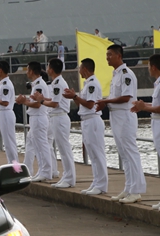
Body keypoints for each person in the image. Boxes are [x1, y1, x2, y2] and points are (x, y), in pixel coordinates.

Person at [96, 44, 145, 203]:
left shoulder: (126, 74)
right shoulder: (116, 74)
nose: (107, 57)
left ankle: (136, 190)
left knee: (130, 152)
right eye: (107, 54)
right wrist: (107, 102)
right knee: (123, 153)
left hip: (125, 115)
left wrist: (105, 100)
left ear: (119, 55)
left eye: (110, 54)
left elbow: (126, 97)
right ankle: (129, 187)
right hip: (116, 116)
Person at [63, 58, 107, 196]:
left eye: (80, 68)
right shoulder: (87, 84)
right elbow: (82, 105)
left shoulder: (92, 84)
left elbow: (89, 104)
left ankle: (101, 184)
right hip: (86, 120)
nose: (79, 70)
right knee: (92, 154)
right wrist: (75, 97)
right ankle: (96, 182)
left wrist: (74, 95)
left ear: (85, 69)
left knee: (97, 153)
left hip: (93, 120)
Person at [34, 59, 76, 188]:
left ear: (51, 69)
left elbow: (55, 104)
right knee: (62, 149)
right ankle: (67, 176)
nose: (46, 68)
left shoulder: (58, 83)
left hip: (60, 117)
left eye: (48, 66)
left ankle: (70, 178)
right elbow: (53, 99)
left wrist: (41, 102)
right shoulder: (56, 82)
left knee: (64, 149)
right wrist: (42, 98)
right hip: (56, 118)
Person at [131, 54, 160, 209]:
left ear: (154, 67)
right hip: (155, 122)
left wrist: (145, 107)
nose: (148, 69)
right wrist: (144, 105)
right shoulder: (158, 84)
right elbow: (155, 104)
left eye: (149, 66)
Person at [17, 62, 52, 182]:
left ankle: (46, 171)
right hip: (36, 118)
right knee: (37, 146)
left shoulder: (39, 85)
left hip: (39, 117)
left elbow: (37, 104)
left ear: (31, 71)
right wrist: (26, 100)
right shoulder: (36, 84)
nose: (27, 72)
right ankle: (42, 170)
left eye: (27, 70)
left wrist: (24, 102)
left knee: (42, 145)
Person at [0, 60, 18, 164]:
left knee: (10, 142)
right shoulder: (2, 83)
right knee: (7, 142)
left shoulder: (5, 84)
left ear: (0, 70)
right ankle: (12, 165)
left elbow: (5, 102)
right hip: (2, 113)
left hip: (5, 113)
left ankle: (15, 167)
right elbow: (0, 96)